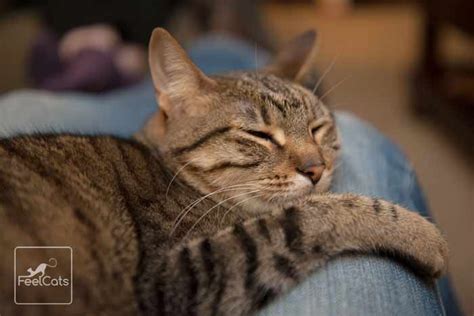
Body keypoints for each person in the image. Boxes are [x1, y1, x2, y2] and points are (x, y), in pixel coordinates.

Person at [0, 34, 462, 316]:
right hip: (31, 288)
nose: (313, 167)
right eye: (262, 137)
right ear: (177, 106)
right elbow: (170, 292)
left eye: (319, 129)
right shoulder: (148, 190)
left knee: (228, 51)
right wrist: (350, 216)